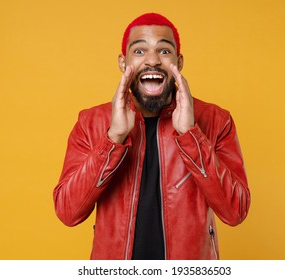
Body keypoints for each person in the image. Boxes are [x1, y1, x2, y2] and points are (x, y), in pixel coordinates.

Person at [53, 12, 251, 260]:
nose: (153, 60)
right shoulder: (91, 123)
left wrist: (191, 134)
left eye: (164, 51)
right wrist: (113, 138)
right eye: (139, 51)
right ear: (123, 63)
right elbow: (68, 212)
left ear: (178, 63)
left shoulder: (216, 120)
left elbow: (236, 211)